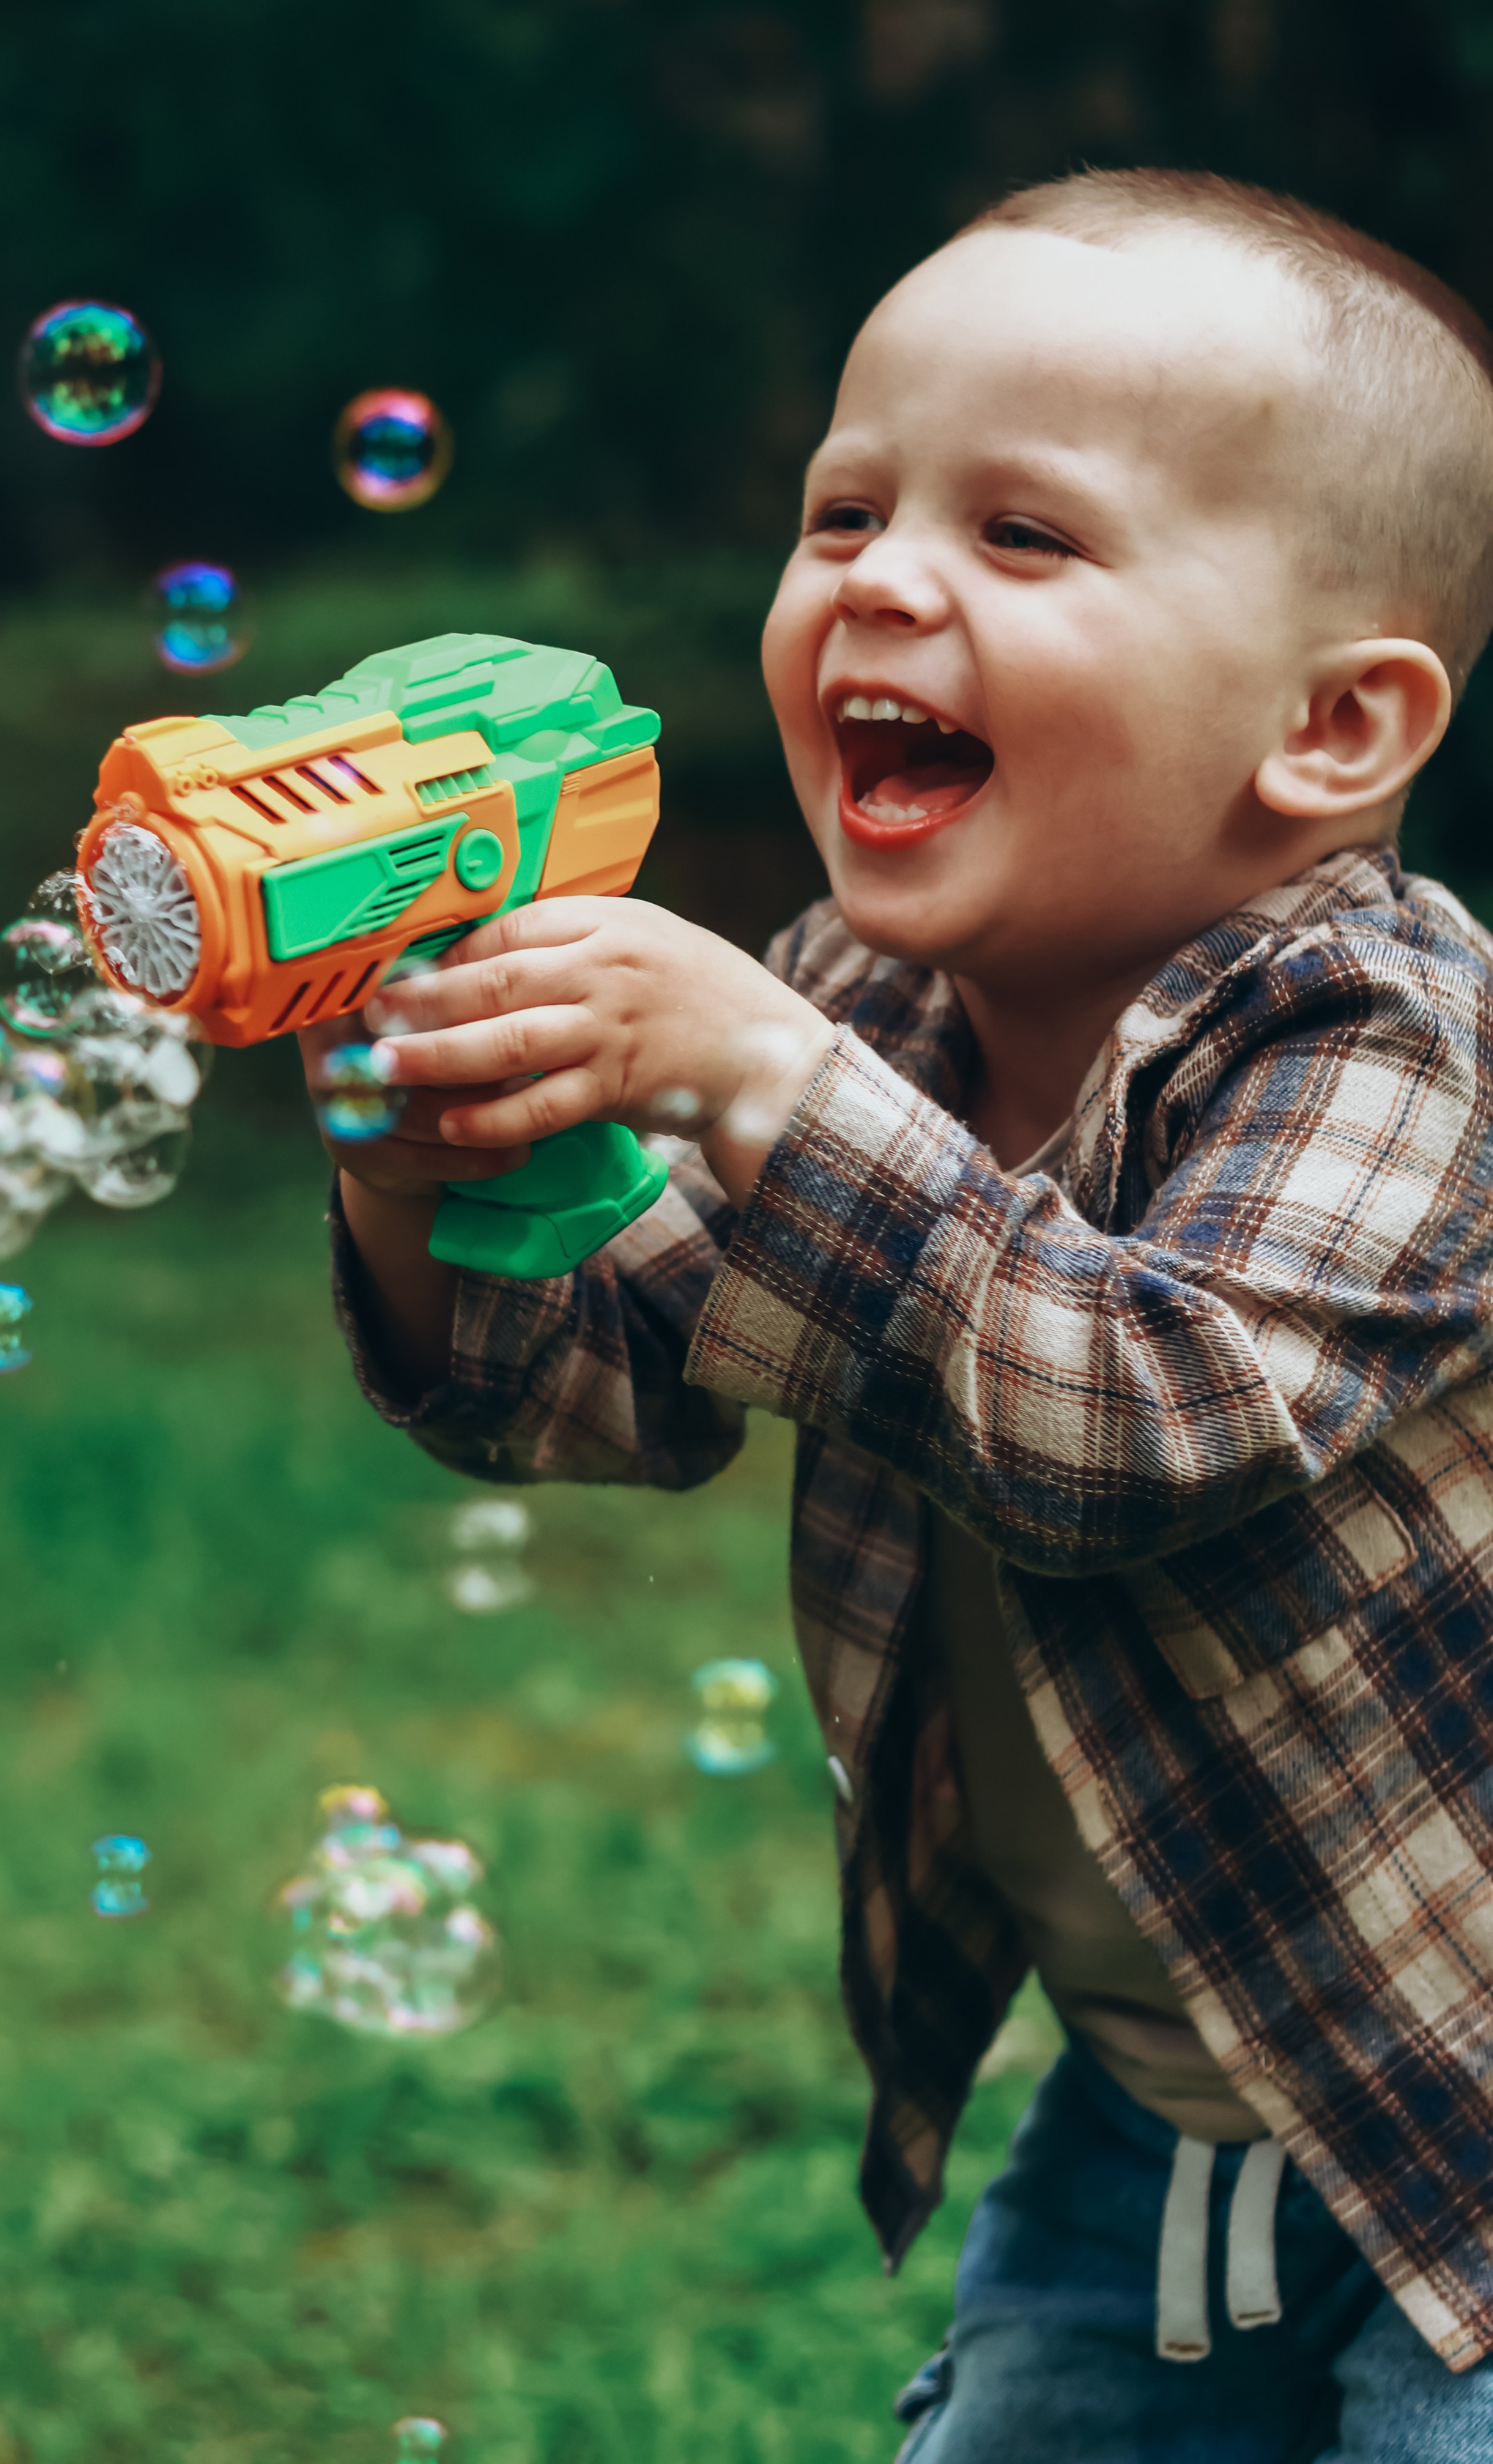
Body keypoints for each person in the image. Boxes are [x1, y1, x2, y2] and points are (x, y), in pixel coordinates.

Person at [303, 169, 1493, 2460]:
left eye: (1024, 538)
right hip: (1188, 2090)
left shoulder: (1396, 1040)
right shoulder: (870, 1003)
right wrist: (408, 1148)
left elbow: (1143, 1415)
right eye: (845, 508)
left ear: (1335, 729)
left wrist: (763, 1078)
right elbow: (605, 1385)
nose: (885, 581)